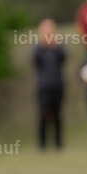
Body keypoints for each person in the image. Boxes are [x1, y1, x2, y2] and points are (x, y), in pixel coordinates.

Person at [33, 18, 66, 149]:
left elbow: (63, 59)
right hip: (44, 86)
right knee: (43, 114)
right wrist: (44, 44)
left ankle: (58, 144)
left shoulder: (59, 47)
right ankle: (42, 144)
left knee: (58, 115)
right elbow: (35, 61)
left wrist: (55, 44)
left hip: (57, 84)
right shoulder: (38, 48)